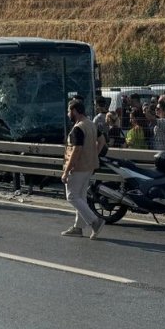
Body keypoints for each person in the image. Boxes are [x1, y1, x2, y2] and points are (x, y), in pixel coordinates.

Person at [61, 99, 105, 240]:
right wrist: (93, 155)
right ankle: (78, 228)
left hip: (78, 168)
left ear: (74, 111)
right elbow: (102, 140)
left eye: (69, 111)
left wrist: (66, 171)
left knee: (72, 196)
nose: (68, 114)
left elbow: (76, 150)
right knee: (81, 197)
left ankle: (95, 221)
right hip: (90, 166)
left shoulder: (78, 128)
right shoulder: (91, 124)